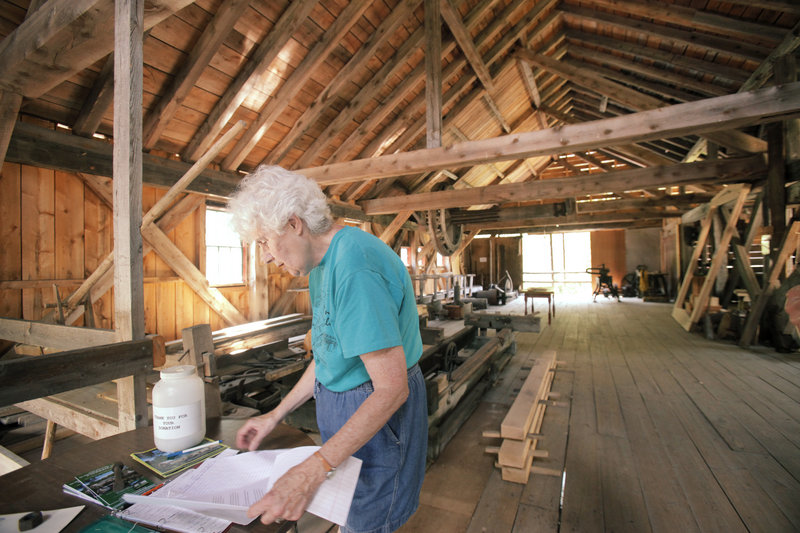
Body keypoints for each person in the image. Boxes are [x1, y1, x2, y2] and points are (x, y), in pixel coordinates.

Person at [228, 165, 427, 533]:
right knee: (351, 519)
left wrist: (313, 469)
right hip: (347, 411)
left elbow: (391, 389)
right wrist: (274, 414)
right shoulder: (321, 266)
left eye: (264, 242)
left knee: (369, 523)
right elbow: (327, 353)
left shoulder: (354, 267)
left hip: (378, 415)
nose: (267, 257)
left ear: (293, 223)